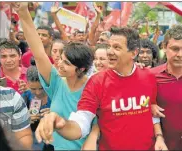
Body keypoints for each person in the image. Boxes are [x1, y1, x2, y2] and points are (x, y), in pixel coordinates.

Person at [35, 26, 168, 150]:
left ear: (134, 53)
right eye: (109, 46)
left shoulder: (149, 77)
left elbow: (151, 111)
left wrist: (159, 137)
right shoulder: (97, 81)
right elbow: (82, 122)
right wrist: (61, 123)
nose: (109, 52)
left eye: (116, 47)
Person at [14, 3, 95, 150]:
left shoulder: (94, 87)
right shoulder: (56, 81)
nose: (60, 64)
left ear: (81, 69)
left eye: (67, 63)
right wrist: (23, 12)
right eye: (61, 59)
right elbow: (38, 53)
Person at [21, 65, 51, 150]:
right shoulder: (25, 96)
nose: (37, 92)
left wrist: (55, 112)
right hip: (34, 143)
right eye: (33, 89)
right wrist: (25, 119)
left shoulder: (55, 96)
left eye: (41, 88)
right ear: (27, 83)